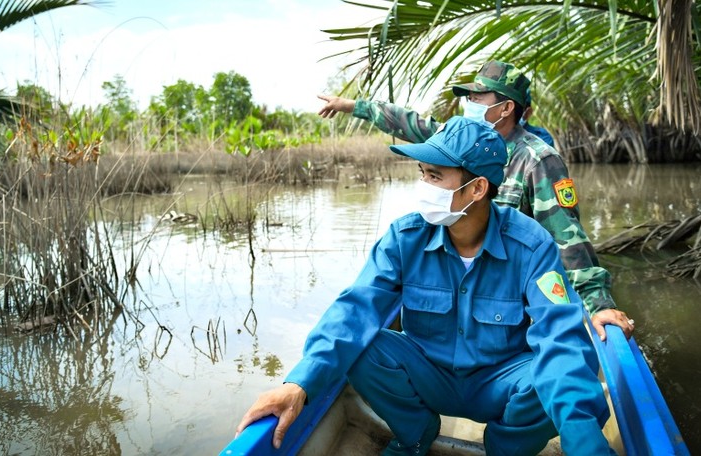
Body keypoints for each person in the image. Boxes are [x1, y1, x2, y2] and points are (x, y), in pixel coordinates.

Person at [235, 117, 614, 455]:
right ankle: (415, 436)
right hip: (428, 375)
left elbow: (559, 338)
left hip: (498, 383)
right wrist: (298, 383)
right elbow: (355, 309)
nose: (423, 185)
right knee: (364, 345)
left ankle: (506, 449)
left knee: (553, 371)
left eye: (435, 176)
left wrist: (584, 440)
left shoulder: (531, 245)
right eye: (422, 173)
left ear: (478, 188)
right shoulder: (405, 237)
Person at [317, 60, 634, 342]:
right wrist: (350, 105)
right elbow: (407, 121)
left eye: (477, 97)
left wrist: (599, 305)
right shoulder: (457, 143)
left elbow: (567, 238)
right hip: (457, 289)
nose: (468, 102)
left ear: (506, 108)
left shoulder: (537, 160)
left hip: (509, 298)